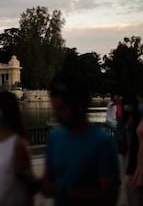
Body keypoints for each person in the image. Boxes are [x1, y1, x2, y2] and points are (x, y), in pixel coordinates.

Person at [42, 75, 120, 206]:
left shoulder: (102, 142)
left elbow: (110, 197)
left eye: (61, 109)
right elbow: (48, 181)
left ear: (79, 106)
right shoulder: (55, 137)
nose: (56, 116)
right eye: (54, 109)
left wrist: (66, 193)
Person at [116, 95, 139, 206]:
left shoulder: (138, 118)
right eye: (125, 104)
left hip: (136, 151)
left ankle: (135, 200)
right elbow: (118, 134)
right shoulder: (122, 119)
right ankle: (130, 200)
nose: (127, 106)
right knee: (125, 177)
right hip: (125, 150)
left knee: (132, 178)